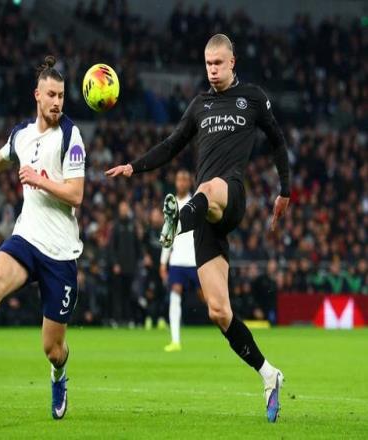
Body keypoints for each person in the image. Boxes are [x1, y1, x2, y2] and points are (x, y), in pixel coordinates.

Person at [106, 34, 290, 422]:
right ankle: (268, 374)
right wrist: (134, 166)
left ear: (232, 62)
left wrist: (285, 190)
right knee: (219, 312)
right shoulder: (199, 105)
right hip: (206, 218)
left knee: (205, 188)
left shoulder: (252, 98)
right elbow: (171, 145)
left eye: (218, 63)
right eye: (208, 63)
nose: (212, 69)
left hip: (230, 196)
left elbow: (277, 141)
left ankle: (176, 222)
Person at [0, 56, 86, 420]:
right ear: (37, 95)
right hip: (26, 237)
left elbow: (76, 195)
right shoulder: (21, 134)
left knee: (53, 349)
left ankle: (59, 376)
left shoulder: (71, 136)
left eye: (61, 96)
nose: (57, 102)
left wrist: (39, 180)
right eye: (51, 95)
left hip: (60, 252)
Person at [159, 170, 201, 352]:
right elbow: (167, 232)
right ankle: (175, 340)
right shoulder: (171, 205)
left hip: (195, 259)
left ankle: (229, 329)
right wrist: (163, 262)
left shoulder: (196, 203)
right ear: (175, 182)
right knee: (174, 295)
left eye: (185, 179)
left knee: (209, 299)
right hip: (177, 260)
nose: (182, 183)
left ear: (189, 183)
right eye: (179, 179)